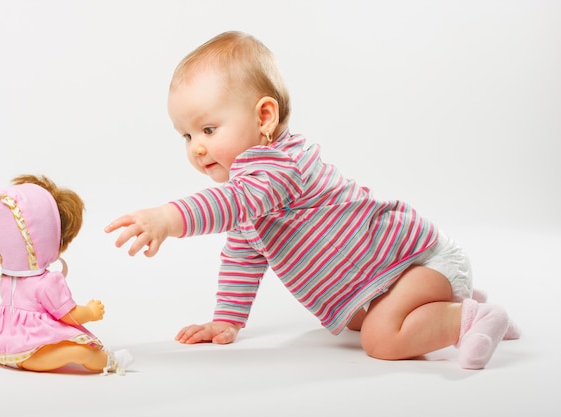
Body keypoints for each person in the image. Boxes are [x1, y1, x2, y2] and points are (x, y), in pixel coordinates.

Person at [105, 31, 520, 369]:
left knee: (379, 338)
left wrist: (169, 218)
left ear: (264, 117)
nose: (196, 147)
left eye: (209, 129)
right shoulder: (251, 196)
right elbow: (243, 255)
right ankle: (448, 302)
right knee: (355, 319)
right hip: (396, 277)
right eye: (187, 135)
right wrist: (227, 320)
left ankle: (472, 317)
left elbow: (231, 202)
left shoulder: (280, 168)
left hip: (420, 262)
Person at [0, 174, 133, 375]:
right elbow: (69, 315)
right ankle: (110, 361)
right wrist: (89, 312)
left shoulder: (8, 278)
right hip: (32, 354)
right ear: (53, 240)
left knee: (69, 346)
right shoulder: (48, 282)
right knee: (81, 352)